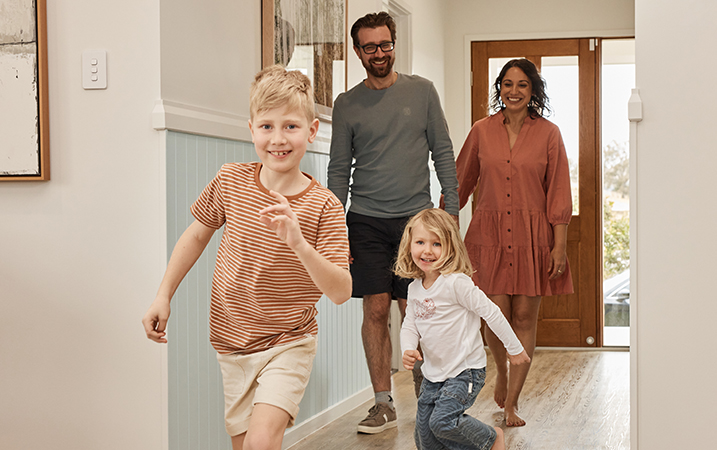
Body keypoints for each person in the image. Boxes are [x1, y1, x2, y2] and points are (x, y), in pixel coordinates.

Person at [141, 65, 352, 450]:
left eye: (290, 126)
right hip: (231, 344)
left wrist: (300, 245)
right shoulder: (230, 180)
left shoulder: (325, 206)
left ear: (312, 130)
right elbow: (195, 236)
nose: (278, 139)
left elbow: (340, 291)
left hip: (289, 342)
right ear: (251, 128)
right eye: (267, 126)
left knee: (260, 444)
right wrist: (163, 295)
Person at [327, 11, 460, 434]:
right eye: (370, 47)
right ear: (358, 51)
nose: (380, 53)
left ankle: (428, 392)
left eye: (386, 45)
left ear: (394, 43)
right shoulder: (347, 104)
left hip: (415, 222)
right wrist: (334, 231)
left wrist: (450, 214)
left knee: (416, 308)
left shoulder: (422, 92)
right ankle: (382, 403)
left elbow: (443, 151)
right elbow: (337, 171)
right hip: (364, 220)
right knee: (376, 308)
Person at [454, 58, 574, 427]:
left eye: (522, 85)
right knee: (494, 316)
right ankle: (502, 371)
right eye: (507, 84)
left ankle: (513, 402)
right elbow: (460, 182)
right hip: (487, 236)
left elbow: (558, 192)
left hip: (532, 237)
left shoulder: (549, 134)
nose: (514, 91)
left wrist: (559, 245)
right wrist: (439, 230)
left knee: (524, 316)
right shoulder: (480, 131)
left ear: (533, 90)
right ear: (499, 89)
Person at [397, 208, 530, 450]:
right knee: (425, 439)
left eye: (436, 244)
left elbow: (491, 312)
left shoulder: (456, 283)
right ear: (409, 245)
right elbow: (410, 323)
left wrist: (514, 348)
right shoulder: (415, 288)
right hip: (433, 373)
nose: (427, 250)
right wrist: (407, 347)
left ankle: (492, 438)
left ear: (450, 247)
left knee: (444, 422)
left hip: (464, 371)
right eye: (420, 242)